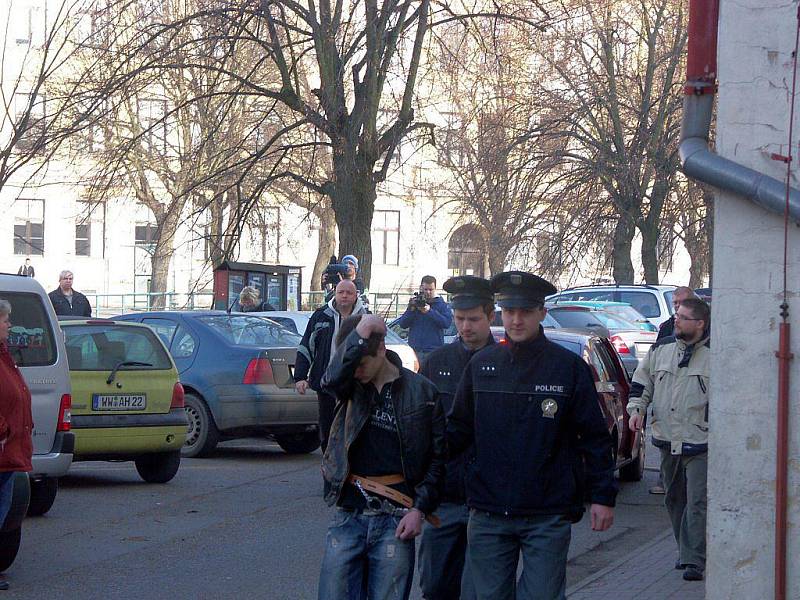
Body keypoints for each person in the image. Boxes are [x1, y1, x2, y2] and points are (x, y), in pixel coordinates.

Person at [447, 271, 617, 600]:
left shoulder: (567, 368)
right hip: (489, 512)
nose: (516, 320)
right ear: (500, 313)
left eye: (524, 312)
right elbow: (457, 433)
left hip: (546, 513)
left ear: (541, 312)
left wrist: (602, 496)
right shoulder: (482, 365)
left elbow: (595, 438)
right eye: (509, 312)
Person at [317, 313, 445, 600]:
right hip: (348, 515)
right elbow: (330, 378)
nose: (356, 371)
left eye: (362, 363)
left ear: (382, 350)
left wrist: (419, 510)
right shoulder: (349, 387)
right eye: (352, 363)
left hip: (396, 518)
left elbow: (438, 459)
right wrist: (361, 331)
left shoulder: (422, 392)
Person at [418, 275, 495, 600]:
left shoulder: (506, 364)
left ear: (491, 317)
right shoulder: (437, 363)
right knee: (435, 587)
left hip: (489, 500)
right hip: (445, 497)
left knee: (478, 591)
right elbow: (421, 428)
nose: (466, 327)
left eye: (474, 319)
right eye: (460, 319)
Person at [627, 297, 710, 583]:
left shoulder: (715, 353)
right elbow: (642, 382)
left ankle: (694, 560)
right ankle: (685, 548)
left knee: (697, 501)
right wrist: (636, 410)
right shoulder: (660, 349)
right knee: (675, 500)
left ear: (699, 324)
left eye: (683, 317)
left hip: (701, 441)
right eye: (676, 315)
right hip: (667, 438)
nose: (676, 320)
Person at [294, 279, 369, 451]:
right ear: (334, 293)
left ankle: (350, 459)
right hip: (326, 380)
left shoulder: (365, 318)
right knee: (327, 423)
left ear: (356, 295)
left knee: (353, 423)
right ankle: (328, 458)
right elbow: (306, 347)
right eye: (341, 292)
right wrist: (300, 377)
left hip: (355, 382)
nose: (344, 296)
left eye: (349, 293)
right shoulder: (321, 316)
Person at [0, 299, 34, 592]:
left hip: (8, 451)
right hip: (2, 447)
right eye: (5, 320)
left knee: (3, 509)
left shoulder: (4, 355)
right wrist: (4, 430)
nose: (10, 325)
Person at [649, 286, 696, 495]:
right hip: (667, 400)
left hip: (693, 408)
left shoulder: (705, 327)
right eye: (675, 303)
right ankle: (664, 480)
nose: (677, 307)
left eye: (682, 303)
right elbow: (651, 366)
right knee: (667, 447)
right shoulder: (667, 327)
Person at [396, 276, 452, 362]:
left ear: (435, 289)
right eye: (426, 289)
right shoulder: (416, 303)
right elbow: (403, 324)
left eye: (431, 289)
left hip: (433, 351)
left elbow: (446, 323)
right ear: (421, 288)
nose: (428, 292)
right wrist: (412, 309)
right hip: (415, 350)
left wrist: (429, 311)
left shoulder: (441, 304)